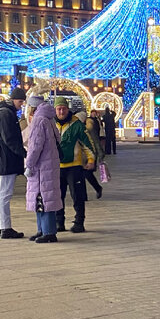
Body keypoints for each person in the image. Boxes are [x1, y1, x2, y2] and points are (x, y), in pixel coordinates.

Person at [54, 96, 96, 232]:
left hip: (74, 166)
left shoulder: (76, 125)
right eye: (59, 109)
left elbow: (87, 144)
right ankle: (59, 222)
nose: (61, 112)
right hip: (56, 167)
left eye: (64, 109)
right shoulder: (51, 124)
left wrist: (91, 160)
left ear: (68, 109)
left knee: (77, 195)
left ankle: (79, 221)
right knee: (57, 197)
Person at [0, 87, 27, 238]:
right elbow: (9, 138)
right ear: (13, 100)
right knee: (5, 194)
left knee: (3, 193)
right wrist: (22, 153)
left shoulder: (4, 111)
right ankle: (6, 228)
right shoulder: (6, 114)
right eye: (20, 101)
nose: (21, 104)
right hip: (7, 159)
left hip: (3, 158)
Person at [24, 98, 62, 243]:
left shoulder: (38, 121)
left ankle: (48, 232)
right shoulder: (49, 119)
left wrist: (29, 164)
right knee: (44, 198)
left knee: (43, 198)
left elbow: (35, 146)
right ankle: (42, 230)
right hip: (49, 164)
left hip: (41, 167)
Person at [83, 103, 105, 198]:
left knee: (87, 173)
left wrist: (100, 153)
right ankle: (83, 196)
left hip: (90, 153)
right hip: (81, 154)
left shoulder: (90, 127)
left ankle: (97, 188)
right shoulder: (79, 129)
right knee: (81, 174)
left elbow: (96, 141)